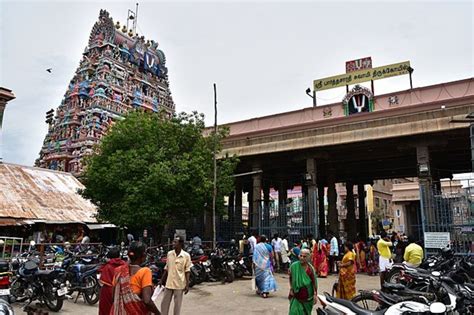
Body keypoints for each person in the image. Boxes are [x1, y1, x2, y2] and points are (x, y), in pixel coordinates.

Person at [111, 241, 160, 314]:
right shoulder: (145, 271)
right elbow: (147, 301)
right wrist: (158, 313)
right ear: (143, 255)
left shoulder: (118, 271)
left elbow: (113, 297)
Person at [160, 236, 191, 315]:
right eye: (173, 242)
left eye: (175, 242)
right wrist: (161, 280)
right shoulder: (169, 254)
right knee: (164, 304)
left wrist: (187, 285)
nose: (173, 243)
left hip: (179, 284)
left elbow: (187, 271)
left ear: (180, 244)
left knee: (177, 306)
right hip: (169, 283)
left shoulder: (186, 256)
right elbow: (166, 268)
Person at [288, 248, 317, 315]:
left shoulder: (311, 269)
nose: (302, 258)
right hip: (296, 295)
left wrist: (315, 294)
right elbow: (291, 278)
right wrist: (291, 289)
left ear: (308, 257)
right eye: (300, 256)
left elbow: (314, 282)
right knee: (293, 312)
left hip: (307, 296)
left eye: (304, 256)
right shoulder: (293, 266)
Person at [98, 247, 125, 315]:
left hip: (107, 290)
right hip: (121, 290)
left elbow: (100, 274)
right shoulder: (124, 265)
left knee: (105, 310)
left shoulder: (107, 266)